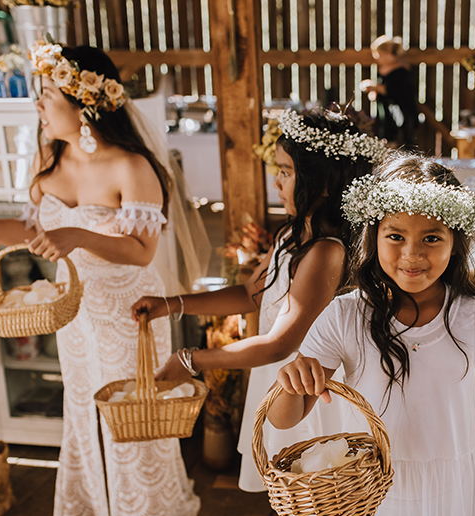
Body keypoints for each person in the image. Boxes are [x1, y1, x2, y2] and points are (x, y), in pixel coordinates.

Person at [0, 42, 201, 516]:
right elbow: (34, 233)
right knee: (84, 418)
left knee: (133, 418)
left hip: (132, 313)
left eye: (47, 95)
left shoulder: (132, 165)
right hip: (76, 312)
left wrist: (77, 233)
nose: (38, 105)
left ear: (85, 105)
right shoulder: (47, 159)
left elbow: (141, 251)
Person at [267, 151, 475, 516]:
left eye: (431, 238)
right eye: (395, 236)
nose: (411, 254)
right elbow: (283, 419)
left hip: (452, 499)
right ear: (372, 235)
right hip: (367, 498)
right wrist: (290, 380)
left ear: (456, 241)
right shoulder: (345, 317)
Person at [131, 108, 385, 492]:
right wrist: (172, 304)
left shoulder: (326, 252)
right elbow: (251, 294)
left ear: (323, 182)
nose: (277, 182)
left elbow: (280, 343)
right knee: (295, 500)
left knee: (317, 498)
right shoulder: (290, 236)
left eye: (286, 171)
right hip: (276, 382)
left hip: (304, 392)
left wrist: (191, 359)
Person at [359, 35, 420, 149]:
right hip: (386, 115)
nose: (377, 59)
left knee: (404, 143)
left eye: (379, 56)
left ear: (389, 54)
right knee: (387, 141)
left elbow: (391, 91)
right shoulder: (382, 70)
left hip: (401, 114)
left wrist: (373, 86)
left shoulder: (402, 71)